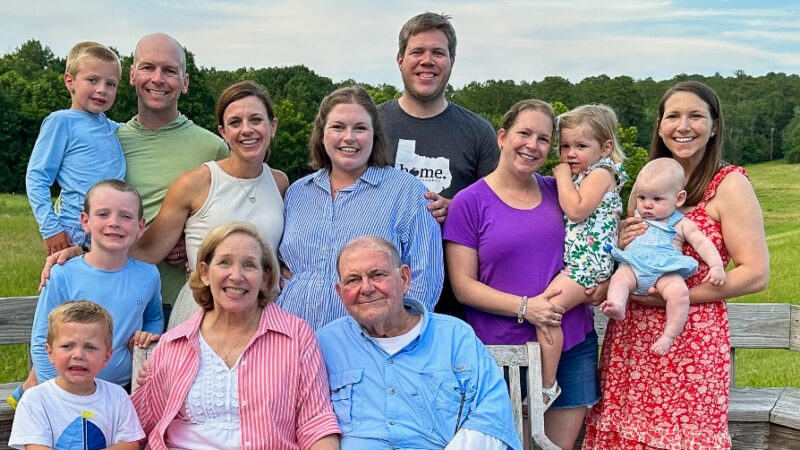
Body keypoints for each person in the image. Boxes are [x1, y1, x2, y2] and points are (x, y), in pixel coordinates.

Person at [584, 81, 770, 449]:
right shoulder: (648, 179)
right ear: (659, 125)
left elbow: (755, 273)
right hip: (631, 337)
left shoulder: (728, 184)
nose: (683, 126)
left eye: (696, 116)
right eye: (673, 116)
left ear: (715, 126)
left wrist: (678, 295)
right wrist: (622, 240)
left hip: (689, 341)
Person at [444, 99, 601, 449]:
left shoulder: (557, 192)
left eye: (544, 139)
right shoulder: (469, 202)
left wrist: (602, 282)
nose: (532, 145)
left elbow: (594, 242)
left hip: (572, 342)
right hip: (503, 352)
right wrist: (526, 308)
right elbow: (464, 286)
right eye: (524, 133)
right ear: (502, 136)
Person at [131, 222, 340, 449]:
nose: (236, 276)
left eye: (249, 265)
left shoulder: (296, 337)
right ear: (204, 273)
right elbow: (134, 426)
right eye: (224, 263)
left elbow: (316, 423)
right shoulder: (174, 343)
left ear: (265, 278)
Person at [317, 236, 521, 450]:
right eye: (353, 280)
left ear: (405, 278)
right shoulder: (326, 342)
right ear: (340, 293)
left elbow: (490, 416)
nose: (366, 288)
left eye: (377, 275)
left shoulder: (454, 337)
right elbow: (307, 421)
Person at [278, 86, 443, 331]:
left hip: (369, 345)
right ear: (322, 133)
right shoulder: (298, 192)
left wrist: (396, 336)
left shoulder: (406, 191)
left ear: (375, 135)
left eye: (360, 128)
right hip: (293, 340)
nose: (349, 137)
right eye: (338, 127)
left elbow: (424, 278)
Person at [128, 80, 287, 329]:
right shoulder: (196, 183)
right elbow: (147, 252)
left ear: (272, 126)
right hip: (203, 314)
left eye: (256, 120)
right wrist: (81, 256)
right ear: (223, 132)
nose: (247, 130)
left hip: (264, 315)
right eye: (235, 122)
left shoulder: (279, 182)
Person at [378, 12, 498, 318]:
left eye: (438, 53)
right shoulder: (371, 126)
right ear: (400, 59)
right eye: (417, 52)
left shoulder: (477, 132)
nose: (427, 61)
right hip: (378, 293)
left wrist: (458, 209)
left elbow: (501, 206)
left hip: (456, 297)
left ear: (452, 61)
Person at [121, 32, 229, 313]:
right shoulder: (108, 141)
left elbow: (234, 219)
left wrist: (196, 239)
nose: (158, 78)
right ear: (132, 75)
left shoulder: (213, 148)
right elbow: (77, 213)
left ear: (185, 82)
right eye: (147, 67)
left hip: (183, 305)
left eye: (170, 70)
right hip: (117, 299)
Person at [29, 179, 163, 392]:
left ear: (140, 227)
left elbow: (153, 317)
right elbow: (41, 339)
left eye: (126, 216)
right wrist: (53, 392)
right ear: (85, 221)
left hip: (120, 391)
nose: (114, 222)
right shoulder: (63, 274)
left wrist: (148, 334)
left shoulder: (148, 275)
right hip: (65, 391)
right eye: (103, 214)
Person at [535, 104, 627, 406]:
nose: (570, 154)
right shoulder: (587, 174)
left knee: (546, 312)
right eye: (564, 147)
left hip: (587, 265)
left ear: (606, 147)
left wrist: (560, 175)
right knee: (545, 312)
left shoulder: (601, 173)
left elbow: (576, 211)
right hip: (579, 263)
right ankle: (547, 383)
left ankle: (547, 386)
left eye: (580, 146)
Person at [603, 158, 726, 354]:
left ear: (679, 199)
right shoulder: (636, 216)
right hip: (634, 267)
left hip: (664, 271)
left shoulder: (680, 223)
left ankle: (668, 335)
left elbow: (702, 242)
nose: (647, 205)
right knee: (620, 278)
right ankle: (617, 304)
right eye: (642, 198)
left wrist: (716, 266)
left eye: (657, 199)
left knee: (679, 293)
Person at [26, 41, 124, 255]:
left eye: (111, 84)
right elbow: (36, 177)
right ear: (69, 81)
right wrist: (50, 228)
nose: (102, 89)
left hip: (112, 231)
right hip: (75, 231)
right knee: (70, 287)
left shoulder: (112, 128)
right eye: (92, 80)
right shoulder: (61, 122)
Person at [9, 301, 144, 450]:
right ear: (50, 353)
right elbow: (36, 447)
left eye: (90, 347)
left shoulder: (117, 396)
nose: (78, 355)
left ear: (106, 357)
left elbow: (130, 444)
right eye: (67, 346)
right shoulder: (36, 399)